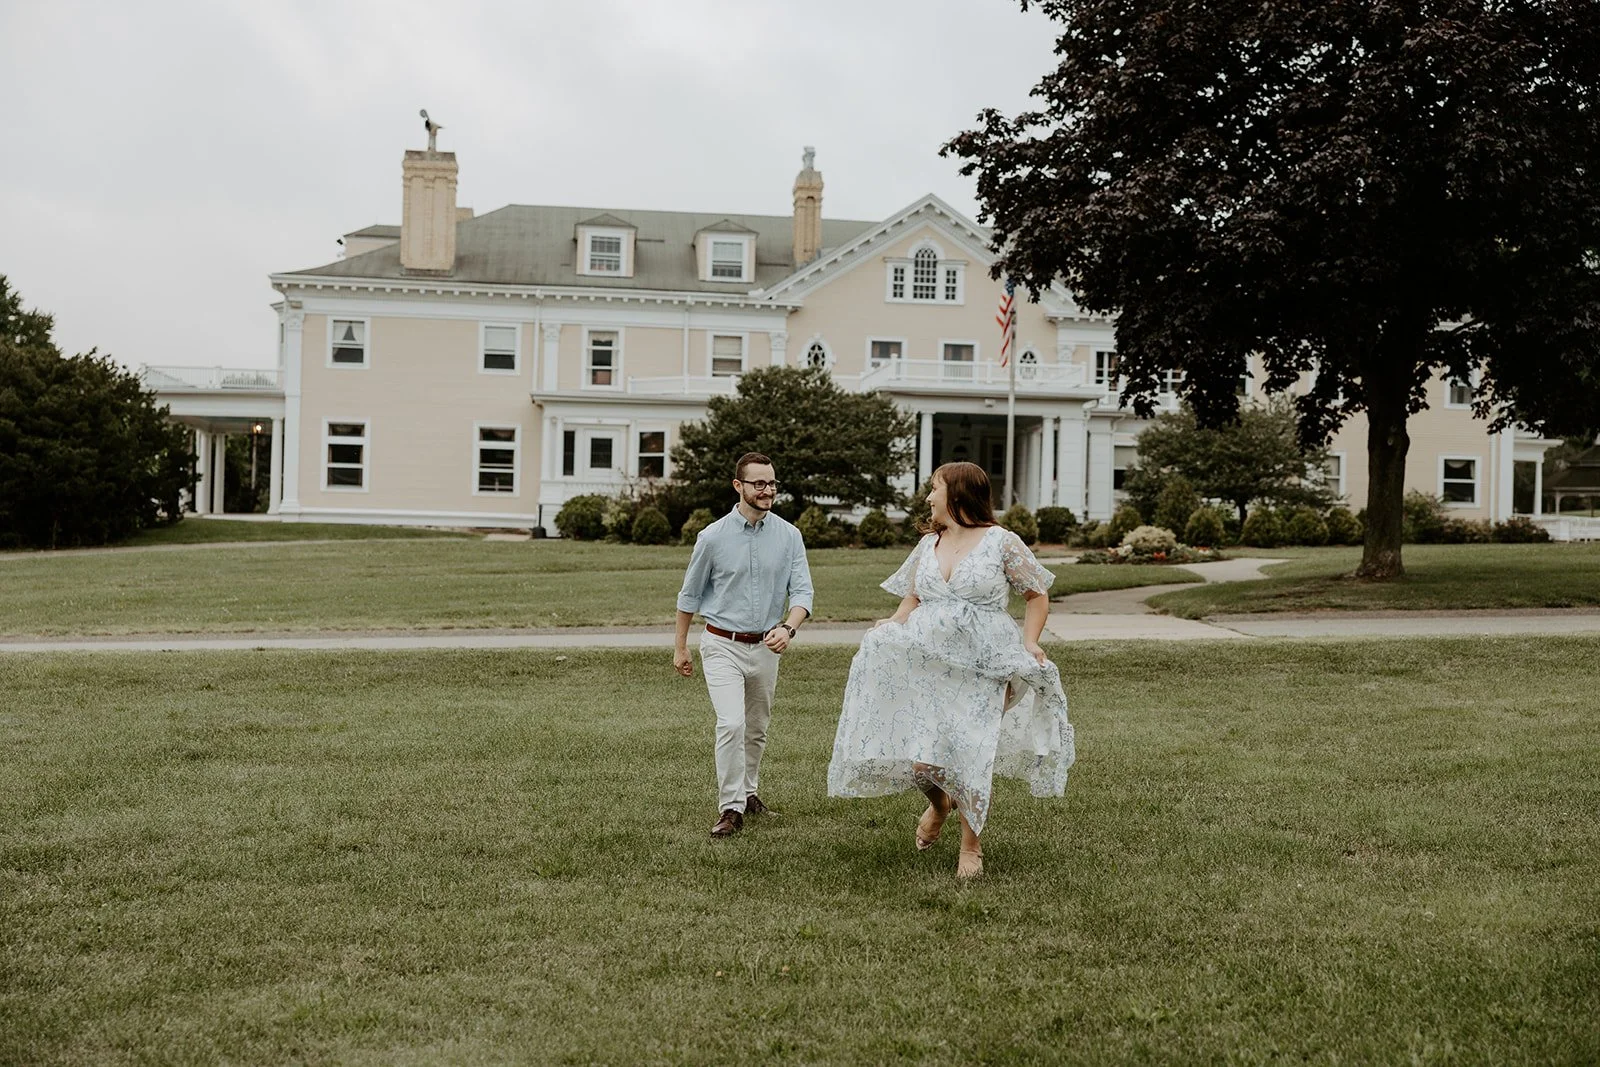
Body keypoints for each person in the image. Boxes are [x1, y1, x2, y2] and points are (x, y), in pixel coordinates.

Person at [827, 461, 1074, 878]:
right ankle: (941, 804)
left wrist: (1030, 641)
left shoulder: (1001, 542)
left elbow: (1037, 594)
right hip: (929, 664)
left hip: (984, 665)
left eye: (934, 488)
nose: (928, 497)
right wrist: (893, 623)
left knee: (969, 753)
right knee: (922, 765)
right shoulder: (929, 543)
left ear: (958, 493)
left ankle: (971, 846)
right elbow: (912, 598)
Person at [675, 452, 814, 838]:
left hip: (767, 647)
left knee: (756, 728)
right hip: (722, 644)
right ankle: (730, 807)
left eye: (772, 483)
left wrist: (788, 628)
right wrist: (681, 647)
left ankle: (749, 793)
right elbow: (689, 596)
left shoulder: (789, 536)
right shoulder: (712, 537)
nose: (768, 490)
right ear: (739, 486)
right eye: (759, 483)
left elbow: (803, 592)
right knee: (731, 724)